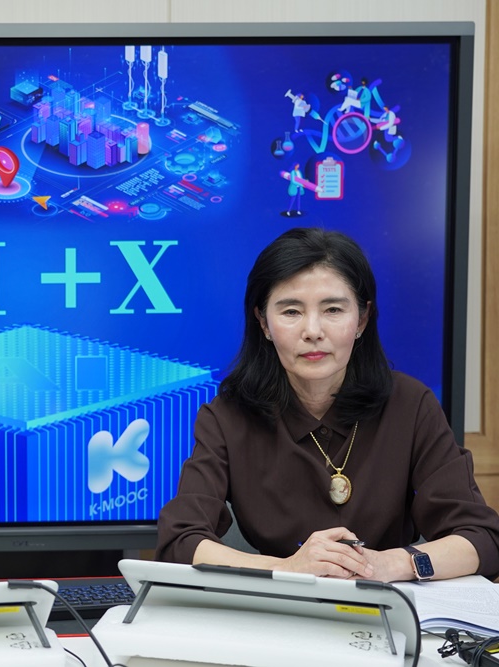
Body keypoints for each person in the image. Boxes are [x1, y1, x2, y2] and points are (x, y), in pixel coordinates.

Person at [156, 227, 499, 581]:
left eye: (333, 309)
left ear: (362, 319)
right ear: (264, 323)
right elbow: (179, 541)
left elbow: (482, 539)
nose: (313, 331)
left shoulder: (411, 405)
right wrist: (287, 569)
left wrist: (388, 564)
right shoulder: (228, 417)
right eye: (291, 311)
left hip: (386, 602)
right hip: (276, 606)